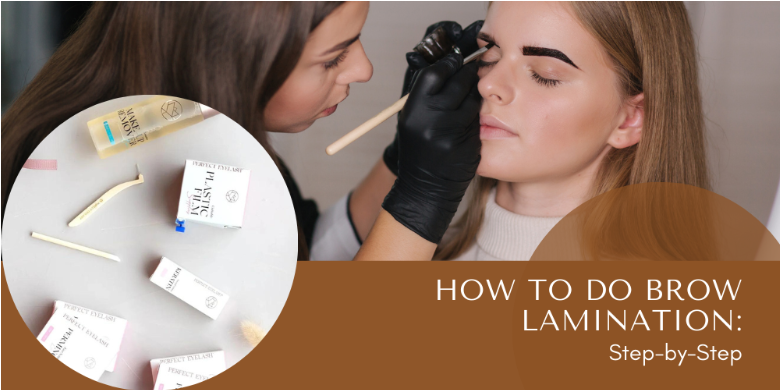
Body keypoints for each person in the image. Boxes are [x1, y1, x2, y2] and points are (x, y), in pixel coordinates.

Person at [1, 2, 484, 261]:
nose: (364, 69)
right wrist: (425, 198)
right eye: (333, 57)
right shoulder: (117, 197)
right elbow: (325, 358)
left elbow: (304, 256)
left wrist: (403, 158)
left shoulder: (195, 134)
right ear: (230, 58)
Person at [314, 2, 710, 260]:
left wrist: (420, 197)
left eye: (544, 75)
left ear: (629, 119)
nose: (487, 85)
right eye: (489, 55)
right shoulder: (420, 249)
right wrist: (404, 162)